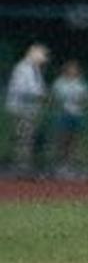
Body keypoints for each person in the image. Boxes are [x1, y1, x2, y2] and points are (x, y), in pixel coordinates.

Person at [51, 51, 88, 172]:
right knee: (63, 139)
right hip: (64, 113)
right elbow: (57, 98)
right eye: (71, 68)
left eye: (75, 68)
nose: (73, 70)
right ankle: (60, 165)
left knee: (73, 141)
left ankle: (70, 165)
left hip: (77, 114)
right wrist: (70, 102)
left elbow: (85, 98)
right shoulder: (60, 82)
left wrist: (80, 103)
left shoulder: (80, 83)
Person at [6, 38, 43, 171]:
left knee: (27, 137)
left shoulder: (35, 68)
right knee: (23, 137)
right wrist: (38, 96)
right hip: (21, 108)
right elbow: (22, 90)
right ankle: (20, 165)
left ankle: (23, 164)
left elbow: (38, 88)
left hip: (30, 109)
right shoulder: (22, 68)